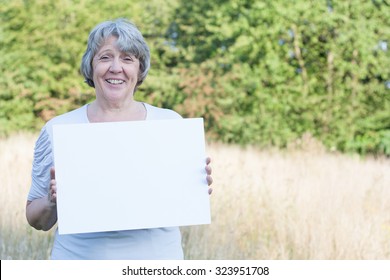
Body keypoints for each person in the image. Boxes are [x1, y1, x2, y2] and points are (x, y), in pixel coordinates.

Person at [26, 18, 213, 260]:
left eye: (127, 58)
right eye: (105, 57)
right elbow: (36, 219)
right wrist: (53, 201)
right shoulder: (59, 129)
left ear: (139, 68)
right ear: (90, 66)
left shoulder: (170, 125)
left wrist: (193, 185)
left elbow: (181, 204)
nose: (116, 68)